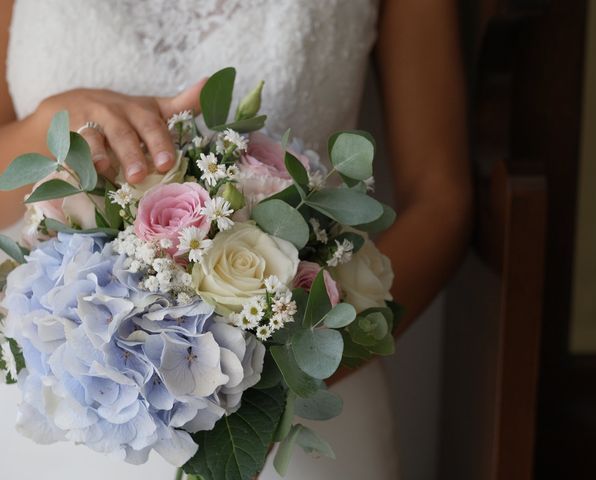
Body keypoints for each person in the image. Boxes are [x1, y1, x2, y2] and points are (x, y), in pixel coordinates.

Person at [0, 1, 471, 479]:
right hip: (60, 405)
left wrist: (280, 378)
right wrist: (47, 131)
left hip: (293, 415)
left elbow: (442, 202)